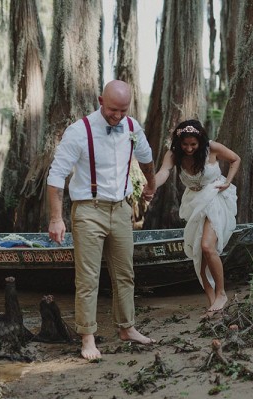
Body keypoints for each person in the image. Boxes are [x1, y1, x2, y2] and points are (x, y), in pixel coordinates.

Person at [47, 80, 156, 360]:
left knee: (125, 273)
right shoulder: (79, 131)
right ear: (99, 100)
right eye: (112, 110)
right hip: (88, 210)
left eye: (123, 110)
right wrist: (57, 218)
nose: (118, 116)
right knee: (88, 278)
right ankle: (87, 338)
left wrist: (151, 185)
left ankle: (127, 327)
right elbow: (56, 175)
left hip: (121, 209)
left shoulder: (132, 127)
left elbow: (146, 157)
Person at [145, 119, 240, 314]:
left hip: (215, 196)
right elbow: (164, 172)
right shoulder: (173, 154)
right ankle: (212, 301)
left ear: (200, 141)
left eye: (193, 144)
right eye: (185, 144)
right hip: (194, 202)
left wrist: (228, 182)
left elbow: (235, 159)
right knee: (198, 251)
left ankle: (221, 293)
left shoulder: (211, 148)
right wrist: (153, 185)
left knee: (207, 245)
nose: (189, 148)